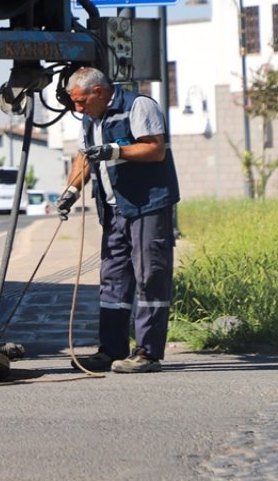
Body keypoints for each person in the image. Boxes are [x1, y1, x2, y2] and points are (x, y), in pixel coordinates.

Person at [57, 67, 179, 374]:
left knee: (150, 276)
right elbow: (85, 157)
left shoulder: (138, 106)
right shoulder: (90, 119)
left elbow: (155, 149)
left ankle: (147, 353)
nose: (78, 108)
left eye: (81, 101)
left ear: (98, 92)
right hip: (113, 210)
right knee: (112, 280)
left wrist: (115, 151)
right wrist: (71, 191)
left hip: (146, 206)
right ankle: (110, 350)